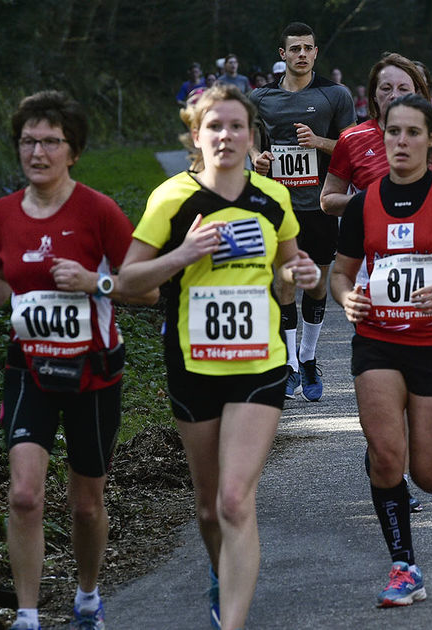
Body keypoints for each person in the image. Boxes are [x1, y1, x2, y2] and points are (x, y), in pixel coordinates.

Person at [119, 84, 320, 630]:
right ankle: (220, 572)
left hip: (259, 362)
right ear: (196, 135)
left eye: (236, 126)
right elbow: (125, 281)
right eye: (215, 127)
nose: (226, 136)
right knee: (209, 507)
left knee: (235, 500)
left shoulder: (271, 199)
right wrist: (182, 255)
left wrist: (297, 276)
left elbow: (285, 283)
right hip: (194, 364)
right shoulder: (171, 199)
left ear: (252, 135)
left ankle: (231, 622)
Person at [0, 90, 158, 630]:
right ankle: (27, 615)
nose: (38, 152)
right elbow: (1, 278)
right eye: (29, 141)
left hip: (93, 373)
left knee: (85, 504)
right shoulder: (3, 213)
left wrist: (95, 281)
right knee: (25, 495)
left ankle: (88, 596)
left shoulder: (99, 212)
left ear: (73, 151)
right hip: (28, 368)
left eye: (52, 141)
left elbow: (146, 292)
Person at [330, 93, 432, 607]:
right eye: (393, 132)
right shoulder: (363, 202)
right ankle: (404, 567)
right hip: (377, 343)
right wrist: (346, 299)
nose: (400, 141)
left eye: (411, 133)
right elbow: (341, 271)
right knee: (385, 457)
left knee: (425, 471)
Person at [249, 22, 356, 401]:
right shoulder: (261, 98)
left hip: (320, 205)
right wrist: (256, 159)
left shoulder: (335, 94)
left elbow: (350, 146)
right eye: (294, 49)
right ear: (282, 55)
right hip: (279, 207)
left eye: (308, 48)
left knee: (315, 284)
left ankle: (308, 357)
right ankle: (290, 365)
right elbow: (249, 134)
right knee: (285, 281)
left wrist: (318, 142)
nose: (301, 54)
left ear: (315, 52)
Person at [321, 52, 432, 218]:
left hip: (426, 241)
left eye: (403, 89)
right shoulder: (351, 139)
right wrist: (371, 199)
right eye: (386, 89)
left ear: (417, 93)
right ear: (374, 95)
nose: (394, 95)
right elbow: (327, 201)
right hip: (371, 241)